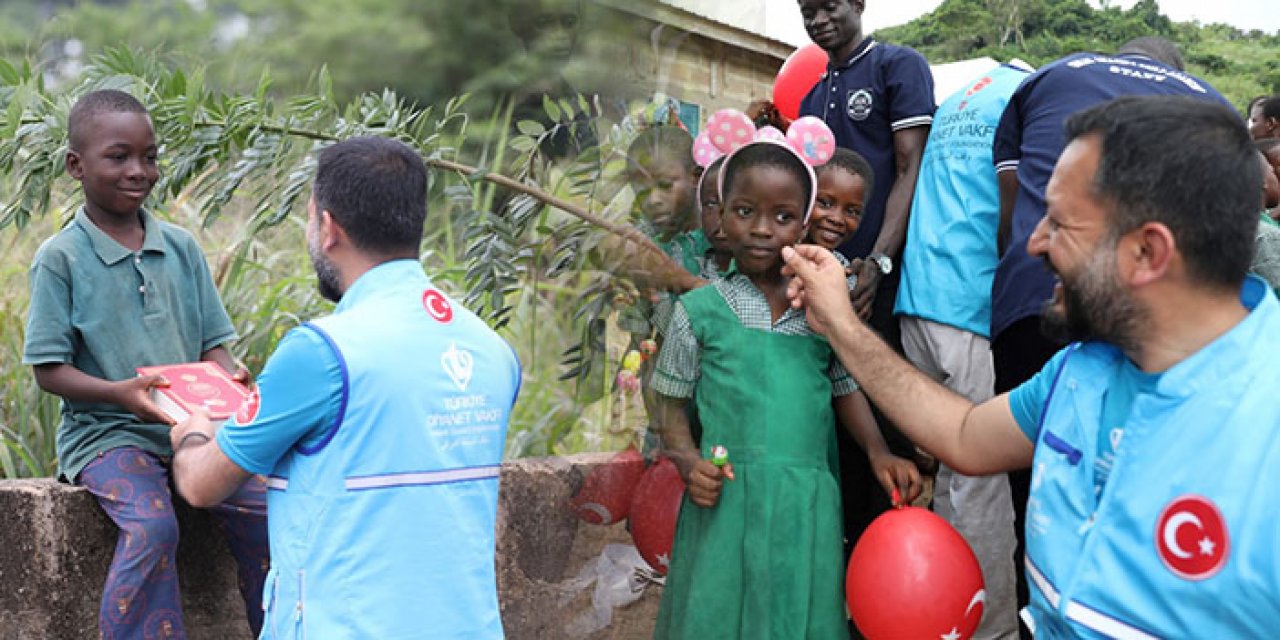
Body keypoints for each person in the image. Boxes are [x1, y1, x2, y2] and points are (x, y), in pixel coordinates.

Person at [784, 95, 1280, 637]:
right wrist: (842, 324)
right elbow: (965, 434)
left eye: (1060, 224)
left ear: (1147, 253)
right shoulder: (1084, 367)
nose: (1033, 242)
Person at [168, 136, 522, 638]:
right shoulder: (491, 351)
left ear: (328, 227)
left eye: (310, 219)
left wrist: (193, 435)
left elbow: (203, 484)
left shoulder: (321, 353)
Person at [989, 37, 1233, 625]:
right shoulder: (1217, 106)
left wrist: (1030, 279)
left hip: (1039, 302)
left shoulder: (1046, 76)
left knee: (1037, 498)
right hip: (1167, 327)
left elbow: (1012, 215)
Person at [650, 132, 920, 638]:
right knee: (717, 612)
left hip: (806, 501)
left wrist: (879, 451)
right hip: (724, 500)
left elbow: (843, 385)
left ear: (805, 221)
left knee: (799, 613)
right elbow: (667, 400)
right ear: (722, 215)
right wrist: (687, 461)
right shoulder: (698, 312)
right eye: (745, 211)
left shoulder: (820, 309)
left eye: (782, 217)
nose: (761, 230)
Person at [21, 89, 268, 638]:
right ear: (75, 165)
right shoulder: (61, 259)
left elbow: (213, 345)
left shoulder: (180, 248)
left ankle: (284, 628)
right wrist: (120, 393)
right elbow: (48, 370)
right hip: (108, 435)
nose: (139, 170)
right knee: (154, 526)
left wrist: (230, 381)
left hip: (195, 431)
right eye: (118, 156)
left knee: (270, 512)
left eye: (149, 156)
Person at [893, 61, 1031, 640]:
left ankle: (941, 610)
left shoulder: (956, 102)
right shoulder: (1028, 97)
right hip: (970, 302)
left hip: (917, 300)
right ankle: (989, 628)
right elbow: (1016, 208)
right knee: (980, 476)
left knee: (950, 474)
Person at [796, 0, 935, 550]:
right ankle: (840, 569)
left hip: (879, 281)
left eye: (830, 5)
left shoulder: (898, 66)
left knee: (881, 421)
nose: (819, 19)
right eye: (807, 10)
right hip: (820, 281)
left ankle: (886, 567)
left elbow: (911, 166)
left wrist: (877, 260)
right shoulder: (810, 96)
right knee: (832, 424)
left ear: (858, 4)